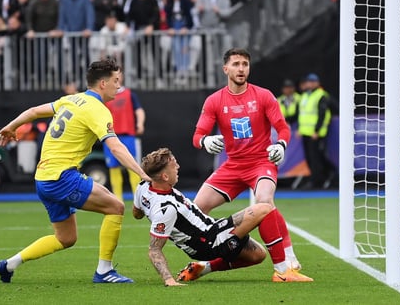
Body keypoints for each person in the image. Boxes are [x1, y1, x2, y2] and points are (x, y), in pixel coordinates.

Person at [0, 58, 151, 284]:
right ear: (103, 84)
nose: (119, 85)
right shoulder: (98, 109)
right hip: (61, 177)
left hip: (43, 178)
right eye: (116, 80)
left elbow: (35, 111)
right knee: (115, 207)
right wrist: (142, 174)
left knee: (66, 238)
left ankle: (9, 264)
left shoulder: (71, 99)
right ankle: (104, 271)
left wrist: (11, 126)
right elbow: (115, 146)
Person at [192, 48, 313, 282]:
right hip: (232, 165)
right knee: (196, 210)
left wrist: (281, 146)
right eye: (236, 64)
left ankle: (284, 263)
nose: (241, 68)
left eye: (245, 64)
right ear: (225, 69)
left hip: (260, 163)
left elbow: (283, 128)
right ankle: (220, 250)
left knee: (265, 202)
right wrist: (205, 141)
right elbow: (197, 135)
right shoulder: (215, 100)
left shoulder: (264, 95)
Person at [133, 147, 270, 286]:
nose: (178, 167)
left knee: (258, 255)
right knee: (264, 208)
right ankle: (285, 269)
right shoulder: (166, 209)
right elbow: (154, 250)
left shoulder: (143, 186)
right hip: (209, 241)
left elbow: (137, 214)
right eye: (174, 165)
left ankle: (204, 267)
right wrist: (169, 280)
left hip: (208, 229)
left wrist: (150, 209)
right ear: (165, 177)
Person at [103, 83, 146, 203]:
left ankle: (138, 199)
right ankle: (118, 199)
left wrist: (140, 123)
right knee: (113, 167)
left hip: (128, 136)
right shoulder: (105, 96)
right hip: (110, 136)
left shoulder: (129, 94)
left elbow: (139, 110)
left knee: (133, 167)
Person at [297, 73, 337, 189]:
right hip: (305, 131)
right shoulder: (305, 95)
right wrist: (300, 129)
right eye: (308, 81)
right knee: (310, 157)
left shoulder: (321, 95)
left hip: (316, 133)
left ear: (317, 83)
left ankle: (318, 180)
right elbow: (303, 113)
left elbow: (322, 114)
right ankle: (321, 177)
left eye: (312, 81)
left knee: (316, 158)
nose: (310, 84)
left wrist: (317, 130)